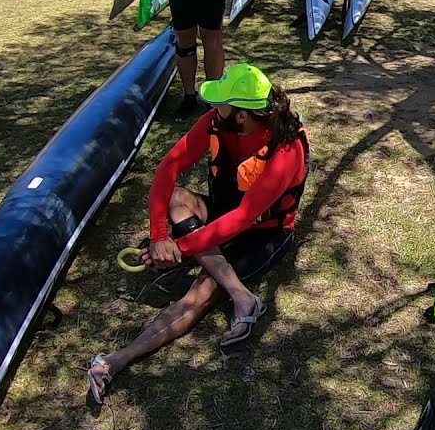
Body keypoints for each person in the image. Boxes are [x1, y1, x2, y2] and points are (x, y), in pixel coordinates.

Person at [85, 63, 308, 406]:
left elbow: (243, 218)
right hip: (223, 212)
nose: (213, 107)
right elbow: (169, 167)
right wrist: (159, 236)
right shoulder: (218, 121)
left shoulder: (286, 150)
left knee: (200, 291)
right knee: (177, 199)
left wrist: (180, 246)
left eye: (221, 103)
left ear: (242, 116)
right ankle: (242, 297)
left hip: (265, 233)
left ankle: (115, 361)